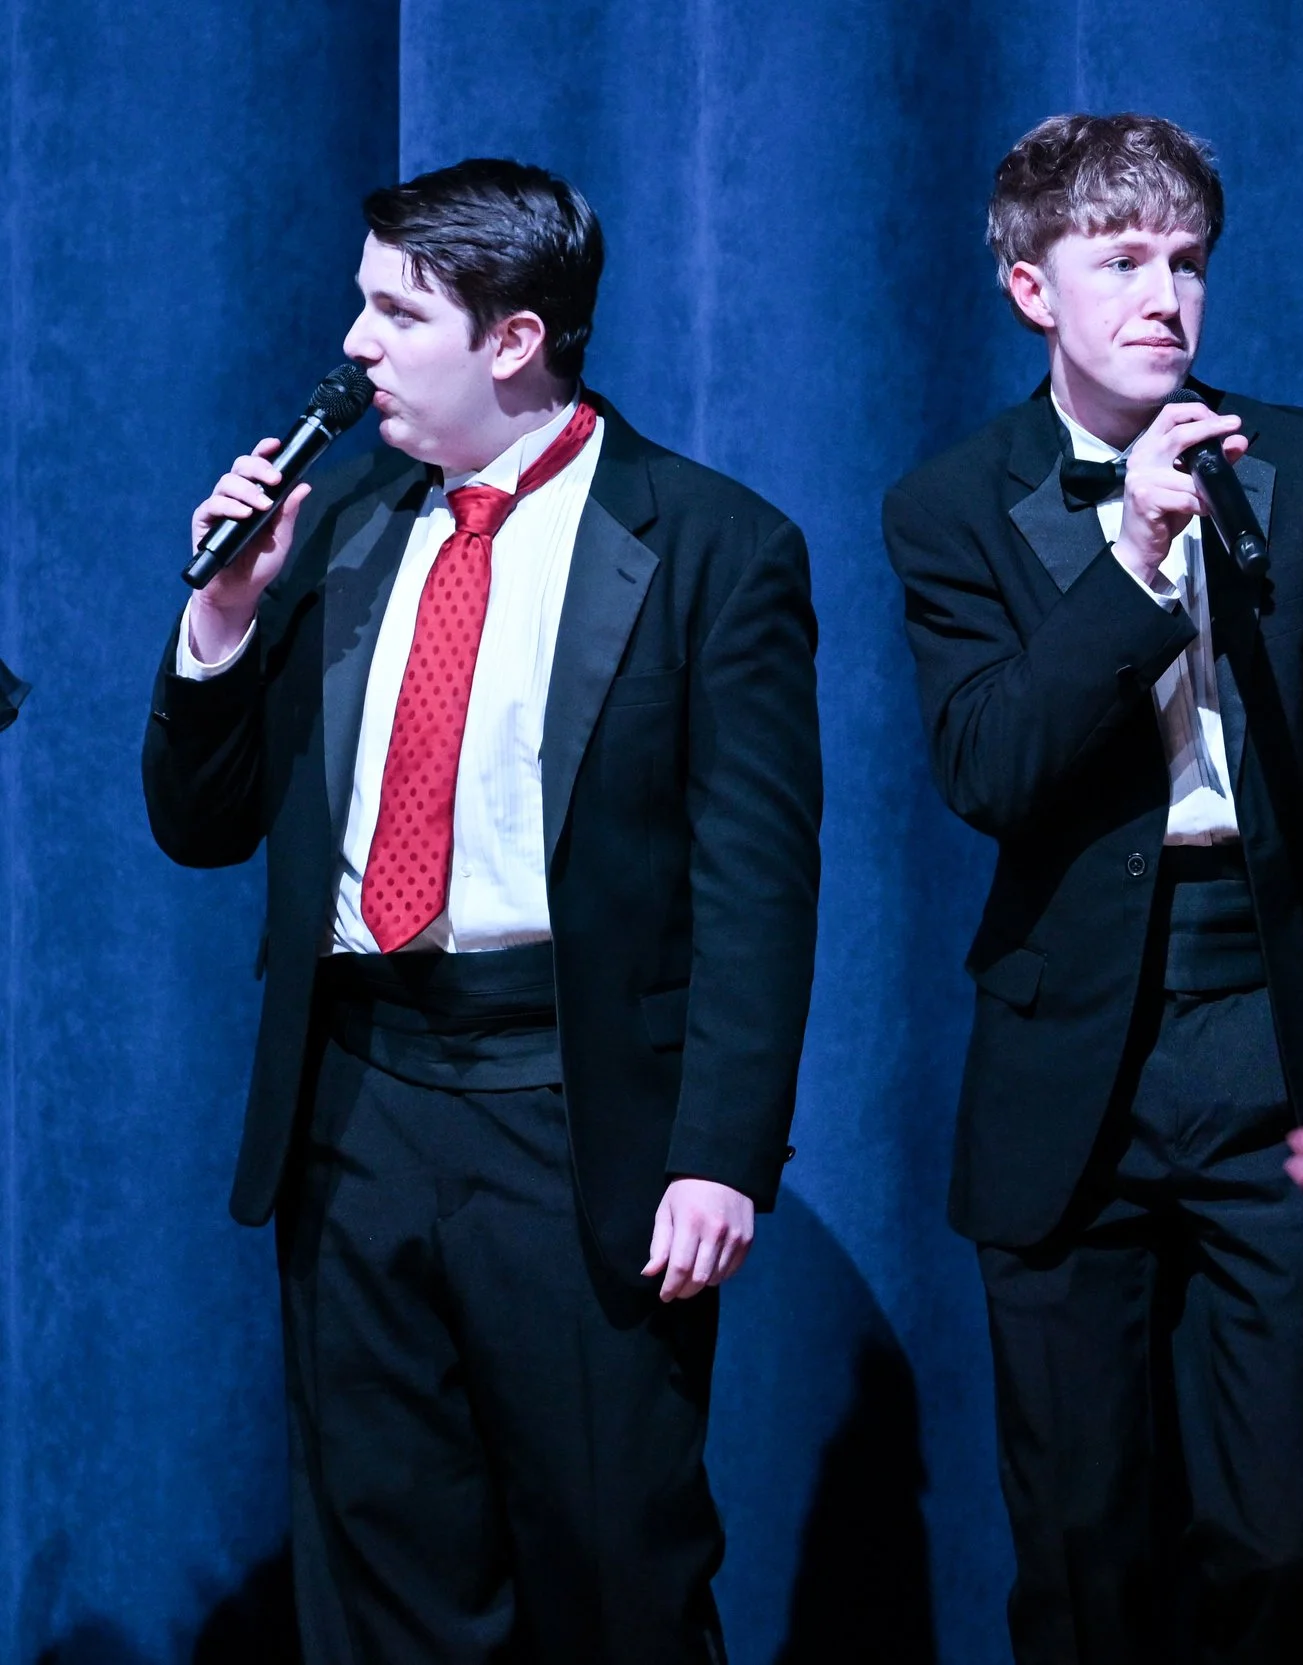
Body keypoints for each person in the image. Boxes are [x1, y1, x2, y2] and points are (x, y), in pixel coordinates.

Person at [142, 158, 821, 1663]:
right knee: (383, 1571)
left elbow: (759, 884)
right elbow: (200, 825)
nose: (356, 344)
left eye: (398, 312)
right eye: (363, 303)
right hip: (358, 1108)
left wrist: (719, 1153)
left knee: (615, 1570)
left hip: (567, 1109)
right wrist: (222, 618)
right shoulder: (342, 522)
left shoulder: (713, 546)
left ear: (513, 339)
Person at [883, 112, 1303, 1664]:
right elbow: (990, 766)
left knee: (1281, 1535)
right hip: (1072, 1057)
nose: (1166, 296)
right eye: (1123, 260)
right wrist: (1133, 555)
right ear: (1030, 290)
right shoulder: (952, 504)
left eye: (1188, 261)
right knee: (1085, 1554)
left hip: (1264, 1029)